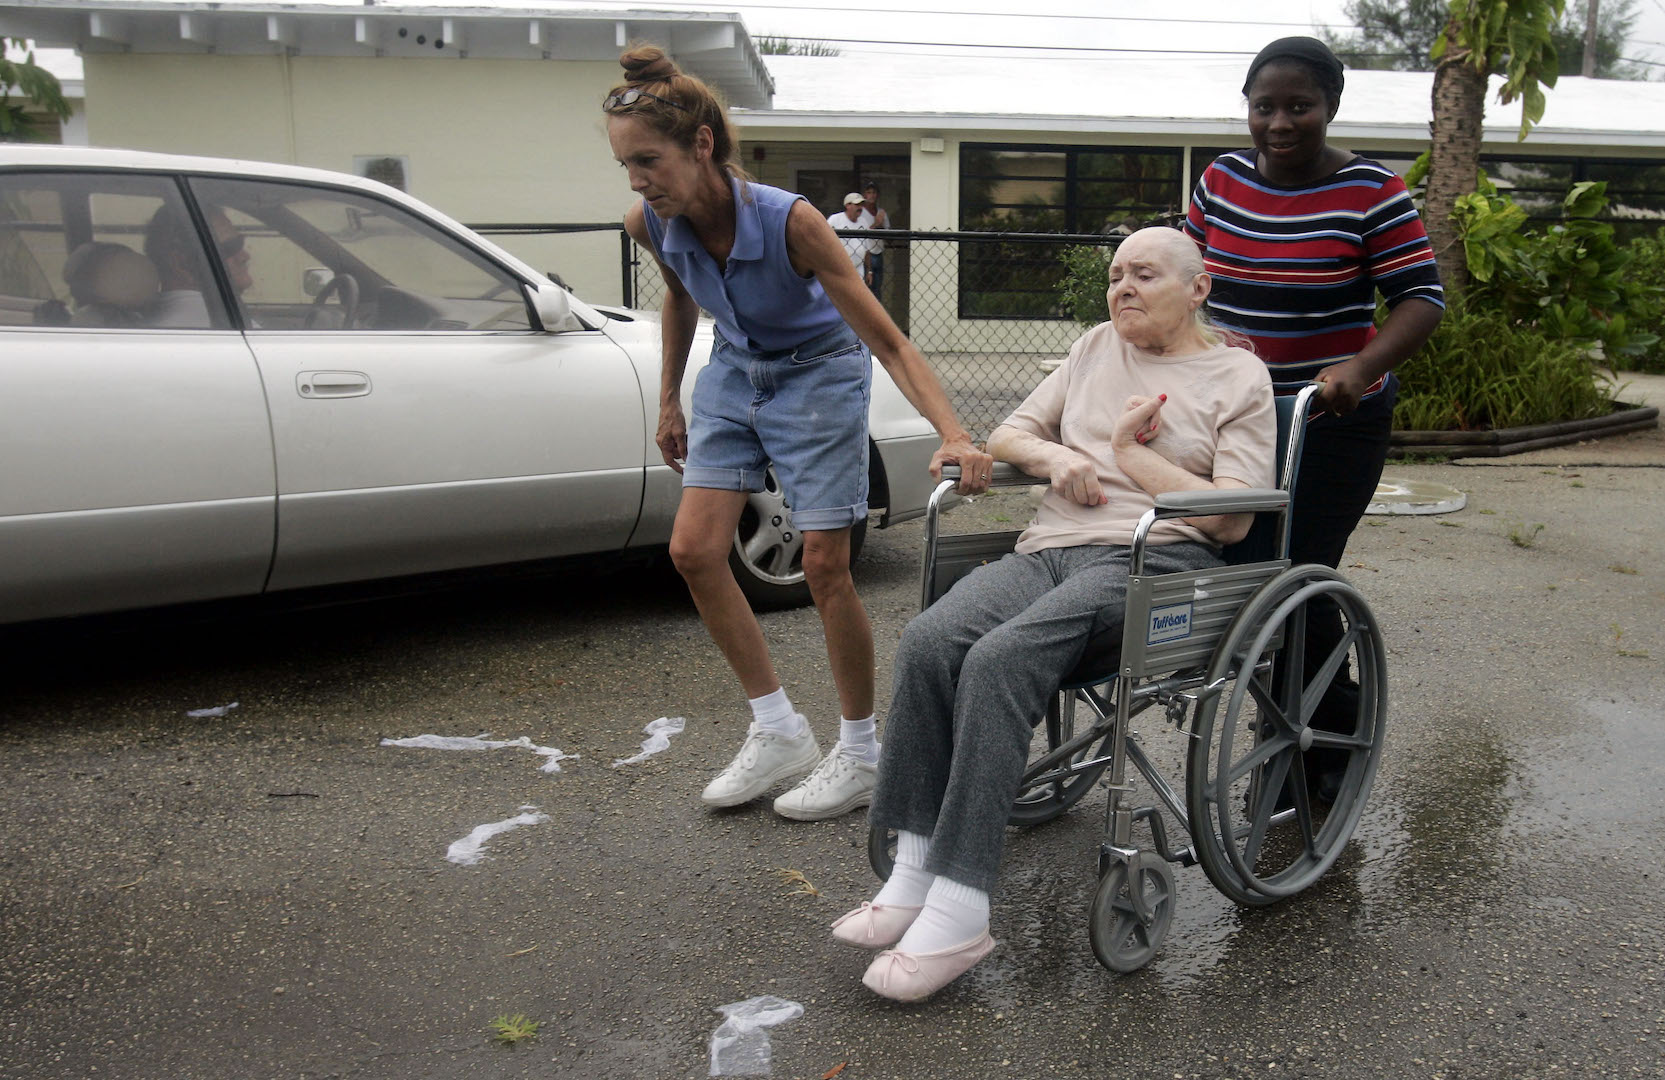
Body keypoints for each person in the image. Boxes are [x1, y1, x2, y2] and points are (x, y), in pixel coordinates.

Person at [838, 227, 1275, 1002]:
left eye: (1143, 274)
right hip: (1051, 547)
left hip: (1155, 561)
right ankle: (911, 873)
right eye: (1114, 275)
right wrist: (1057, 458)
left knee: (1002, 659)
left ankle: (963, 906)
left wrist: (1128, 455)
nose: (1122, 288)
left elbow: (1235, 518)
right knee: (934, 639)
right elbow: (1011, 431)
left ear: (1197, 287)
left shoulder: (1237, 376)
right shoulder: (1093, 346)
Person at [602, 46, 993, 822]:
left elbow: (887, 340)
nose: (638, 180)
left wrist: (953, 431)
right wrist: (670, 400)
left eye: (648, 160)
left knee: (824, 565)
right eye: (626, 166)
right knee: (691, 551)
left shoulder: (794, 222)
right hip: (733, 373)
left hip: (818, 375)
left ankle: (858, 751)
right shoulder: (650, 220)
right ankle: (778, 731)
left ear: (701, 146)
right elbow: (680, 298)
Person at [1184, 36, 1444, 799]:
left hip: (1327, 421)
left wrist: (1359, 369)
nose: (1278, 121)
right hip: (1234, 417)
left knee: (1294, 575)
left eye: (1298, 105)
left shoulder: (1370, 191)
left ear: (1329, 107)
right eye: (1263, 105)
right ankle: (1303, 719)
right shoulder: (1221, 179)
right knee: (1242, 571)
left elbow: (1421, 299)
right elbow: (1189, 276)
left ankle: (1322, 737)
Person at [144, 205, 253, 328]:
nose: (245, 256)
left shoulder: (151, 324)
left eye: (240, 242)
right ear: (180, 263)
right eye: (229, 248)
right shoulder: (221, 324)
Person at [827, 193, 875, 289]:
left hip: (858, 269)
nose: (860, 208)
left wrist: (869, 271)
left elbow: (867, 249)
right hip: (839, 269)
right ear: (847, 205)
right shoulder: (835, 219)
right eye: (857, 205)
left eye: (861, 205)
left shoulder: (863, 222)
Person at [861, 182, 889, 298]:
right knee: (865, 290)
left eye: (874, 193)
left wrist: (880, 225)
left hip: (879, 253)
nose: (871, 195)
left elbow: (889, 238)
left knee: (877, 290)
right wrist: (876, 223)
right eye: (869, 192)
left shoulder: (881, 213)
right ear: (864, 195)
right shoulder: (860, 212)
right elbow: (862, 233)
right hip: (865, 254)